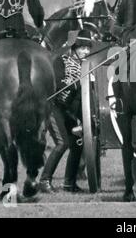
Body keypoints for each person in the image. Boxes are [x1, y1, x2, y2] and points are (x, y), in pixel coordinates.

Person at [40, 30, 92, 193]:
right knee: (62, 143)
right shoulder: (60, 61)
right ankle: (44, 181)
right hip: (54, 108)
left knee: (78, 144)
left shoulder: (85, 67)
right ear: (74, 48)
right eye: (83, 48)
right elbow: (60, 84)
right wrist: (78, 83)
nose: (86, 51)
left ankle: (69, 183)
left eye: (88, 48)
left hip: (68, 111)